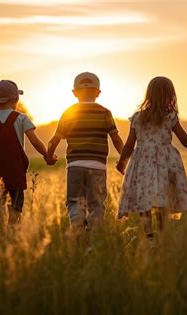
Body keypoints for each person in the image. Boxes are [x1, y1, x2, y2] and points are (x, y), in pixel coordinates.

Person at [116, 76, 187, 240]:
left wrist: (122, 164)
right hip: (165, 163)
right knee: (162, 198)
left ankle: (149, 235)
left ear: (149, 95)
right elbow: (185, 139)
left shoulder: (138, 117)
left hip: (143, 163)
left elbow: (129, 145)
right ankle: (160, 233)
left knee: (145, 198)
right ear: (170, 95)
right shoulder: (170, 117)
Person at [0, 80, 56, 224]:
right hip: (15, 173)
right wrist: (47, 156)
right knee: (15, 211)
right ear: (16, 99)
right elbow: (36, 142)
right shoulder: (21, 118)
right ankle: (13, 236)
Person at [47, 72, 124, 231]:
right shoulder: (105, 112)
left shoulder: (68, 113)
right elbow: (116, 139)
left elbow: (54, 139)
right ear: (98, 92)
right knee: (96, 204)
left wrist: (49, 156)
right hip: (98, 167)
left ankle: (77, 227)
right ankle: (94, 236)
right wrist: (124, 160)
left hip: (74, 165)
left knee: (75, 201)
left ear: (74, 93)